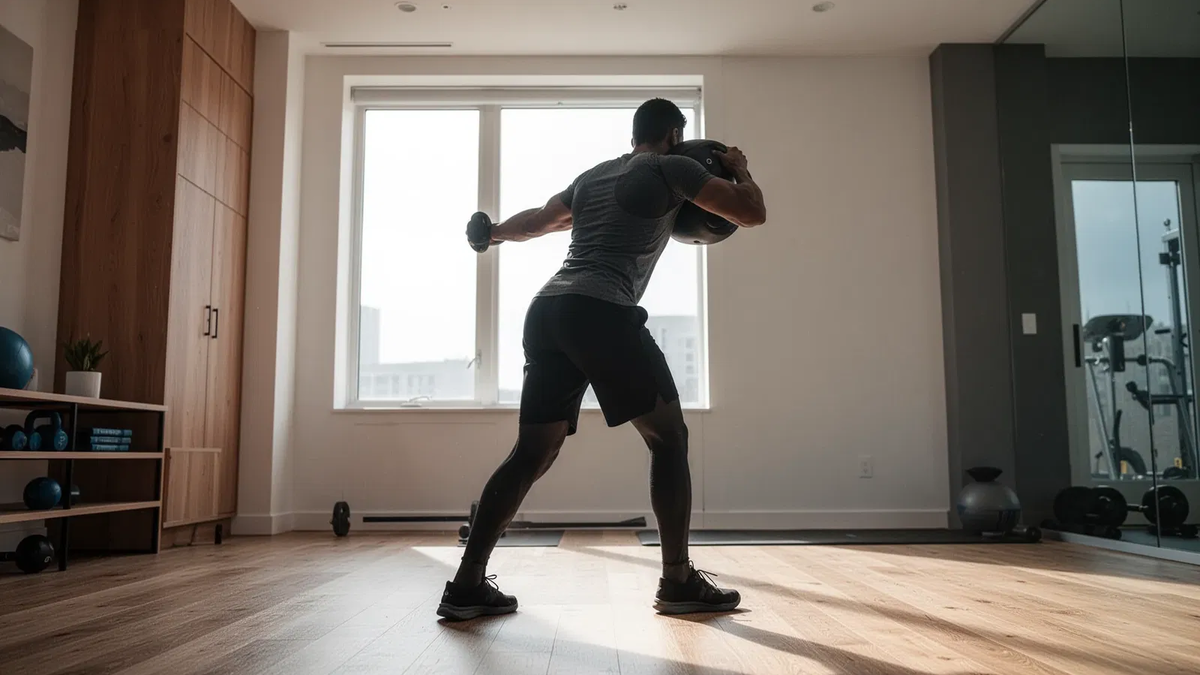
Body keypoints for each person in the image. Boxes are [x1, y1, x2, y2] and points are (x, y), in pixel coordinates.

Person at [438, 98, 767, 621]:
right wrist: (740, 169)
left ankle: (466, 585)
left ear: (634, 134)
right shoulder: (672, 167)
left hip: (547, 312)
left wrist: (491, 233)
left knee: (531, 452)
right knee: (669, 437)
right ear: (674, 135)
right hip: (600, 310)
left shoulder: (592, 177)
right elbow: (751, 213)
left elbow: (538, 224)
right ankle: (678, 580)